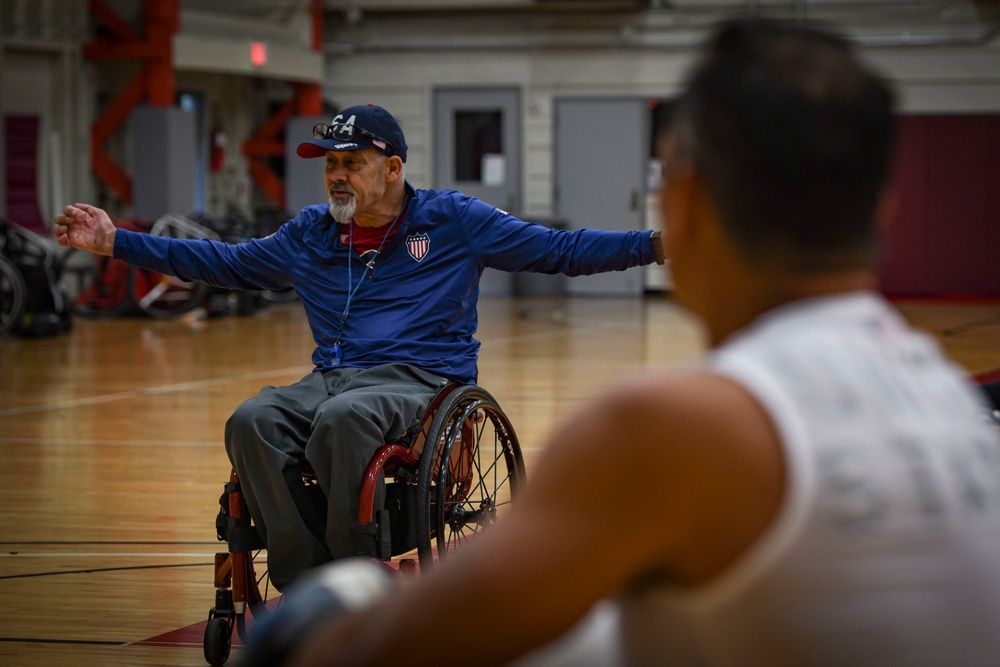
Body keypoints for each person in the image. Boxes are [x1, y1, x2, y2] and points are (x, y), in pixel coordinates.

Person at [248, 17, 1000, 667]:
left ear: (686, 200)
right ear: (884, 207)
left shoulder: (670, 428)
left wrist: (329, 610)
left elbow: (387, 651)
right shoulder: (962, 412)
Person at [52, 103, 663, 590]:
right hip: (332, 379)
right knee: (252, 421)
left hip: (422, 381)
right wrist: (117, 243)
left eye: (351, 162)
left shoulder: (453, 220)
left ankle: (352, 577)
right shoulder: (310, 235)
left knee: (346, 420)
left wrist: (655, 244)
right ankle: (306, 580)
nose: (336, 175)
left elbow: (562, 250)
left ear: (393, 169)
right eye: (329, 165)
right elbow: (227, 262)